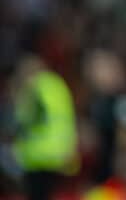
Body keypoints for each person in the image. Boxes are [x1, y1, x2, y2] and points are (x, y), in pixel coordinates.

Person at [11, 55, 78, 200]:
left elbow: (27, 119)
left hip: (38, 156)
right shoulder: (57, 85)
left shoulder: (35, 89)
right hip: (58, 154)